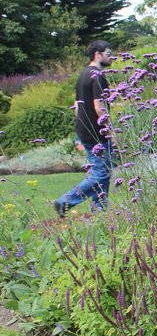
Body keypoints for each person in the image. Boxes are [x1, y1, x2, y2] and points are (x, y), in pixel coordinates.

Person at [53, 41, 115, 217]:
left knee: (101, 171)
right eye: (108, 54)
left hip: (85, 131)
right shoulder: (98, 76)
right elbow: (99, 107)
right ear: (97, 54)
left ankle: (99, 212)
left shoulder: (83, 75)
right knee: (101, 174)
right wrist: (111, 132)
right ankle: (65, 201)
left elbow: (77, 106)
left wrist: (78, 135)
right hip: (97, 133)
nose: (111, 57)